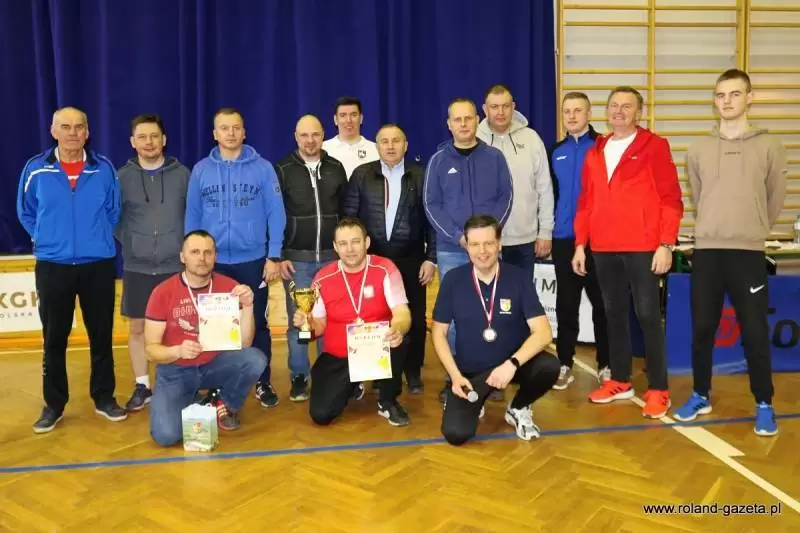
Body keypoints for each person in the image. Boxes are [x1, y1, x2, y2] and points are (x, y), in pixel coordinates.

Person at [674, 69, 787, 436]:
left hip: (747, 253)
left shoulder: (770, 146)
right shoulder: (698, 149)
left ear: (749, 98)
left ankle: (764, 402)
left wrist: (752, 228)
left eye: (735, 94)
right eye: (721, 95)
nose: (726, 101)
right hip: (708, 251)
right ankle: (700, 394)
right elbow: (699, 194)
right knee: (702, 329)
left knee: (754, 331)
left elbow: (774, 198)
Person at [572, 87, 683, 419]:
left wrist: (665, 244)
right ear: (606, 111)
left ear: (639, 113)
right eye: (614, 105)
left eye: (626, 106)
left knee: (648, 316)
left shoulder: (655, 146)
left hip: (643, 247)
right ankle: (620, 380)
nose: (619, 111)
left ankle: (659, 388)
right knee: (613, 315)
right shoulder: (595, 151)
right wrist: (581, 244)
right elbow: (586, 202)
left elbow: (671, 198)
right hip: (603, 248)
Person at [16, 106, 126, 433]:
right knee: (54, 338)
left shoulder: (103, 168)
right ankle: (54, 404)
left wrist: (97, 238)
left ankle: (104, 397)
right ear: (54, 131)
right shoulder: (36, 169)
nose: (73, 133)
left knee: (101, 335)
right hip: (53, 265)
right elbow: (26, 211)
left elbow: (114, 210)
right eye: (65, 127)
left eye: (79, 127)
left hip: (97, 264)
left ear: (87, 133)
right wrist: (44, 237)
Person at [185, 108, 285, 407]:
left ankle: (263, 380)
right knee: (214, 326)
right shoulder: (201, 170)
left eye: (236, 127)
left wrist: (274, 254)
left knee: (258, 322)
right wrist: (194, 256)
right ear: (214, 134)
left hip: (252, 260)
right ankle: (217, 384)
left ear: (244, 132)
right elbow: (192, 214)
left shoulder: (263, 168)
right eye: (224, 128)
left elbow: (276, 212)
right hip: (212, 263)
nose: (230, 133)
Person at [432, 215, 559, 445]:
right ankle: (475, 401)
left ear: (499, 244)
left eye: (488, 243)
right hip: (470, 374)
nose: (482, 251)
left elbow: (543, 333)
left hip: (510, 365)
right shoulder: (453, 280)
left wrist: (512, 364)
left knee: (549, 366)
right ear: (467, 246)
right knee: (456, 434)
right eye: (475, 244)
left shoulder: (518, 277)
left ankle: (518, 407)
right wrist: (455, 376)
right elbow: (438, 333)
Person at [424, 97, 514, 401]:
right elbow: (431, 204)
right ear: (449, 124)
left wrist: (486, 240)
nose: (463, 124)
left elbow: (506, 197)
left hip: (490, 252)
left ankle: (492, 377)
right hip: (452, 251)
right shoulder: (438, 161)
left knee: (492, 313)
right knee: (453, 317)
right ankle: (456, 376)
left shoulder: (495, 157)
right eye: (457, 119)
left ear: (478, 120)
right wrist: (459, 237)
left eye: (468, 118)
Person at [145, 230, 266, 446]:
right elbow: (150, 350)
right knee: (166, 435)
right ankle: (190, 400)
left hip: (214, 364)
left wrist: (248, 306)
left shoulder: (230, 288)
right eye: (195, 252)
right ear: (182, 257)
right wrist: (178, 350)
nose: (202, 258)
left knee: (255, 359)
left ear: (215, 257)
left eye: (208, 252)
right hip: (176, 369)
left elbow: (244, 343)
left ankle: (224, 403)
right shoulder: (162, 292)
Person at [292, 217, 412, 426]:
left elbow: (402, 312)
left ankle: (387, 401)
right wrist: (307, 325)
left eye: (356, 242)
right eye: (343, 243)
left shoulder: (386, 268)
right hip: (339, 355)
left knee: (400, 341)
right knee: (321, 415)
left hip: (377, 349)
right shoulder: (322, 278)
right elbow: (319, 326)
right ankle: (352, 384)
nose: (350, 249)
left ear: (367, 242)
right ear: (335, 247)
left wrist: (398, 329)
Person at [344, 123, 436, 394]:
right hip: (372, 260)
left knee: (415, 317)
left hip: (412, 259)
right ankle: (377, 370)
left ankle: (413, 371)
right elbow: (350, 218)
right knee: (375, 316)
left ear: (406, 145)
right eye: (384, 141)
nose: (391, 146)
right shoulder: (362, 174)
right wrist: (353, 256)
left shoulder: (421, 175)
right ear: (377, 146)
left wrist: (431, 258)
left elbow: (432, 220)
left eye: (396, 141)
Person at [116, 114, 190, 411]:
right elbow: (113, 218)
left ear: (164, 140)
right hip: (138, 266)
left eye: (154, 136)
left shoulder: (183, 174)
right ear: (133, 142)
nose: (149, 142)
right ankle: (142, 385)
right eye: (142, 137)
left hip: (175, 266)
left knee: (177, 327)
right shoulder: (121, 177)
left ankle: (176, 384)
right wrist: (133, 242)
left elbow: (193, 214)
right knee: (137, 327)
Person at [275, 114, 348, 401]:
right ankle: (298, 375)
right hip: (297, 261)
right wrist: (280, 255)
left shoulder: (335, 168)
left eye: (315, 134)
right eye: (304, 135)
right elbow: (275, 215)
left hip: (332, 260)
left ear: (323, 135)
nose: (310, 140)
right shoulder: (282, 169)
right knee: (301, 321)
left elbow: (346, 212)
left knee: (329, 319)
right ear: (296, 137)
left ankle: (326, 375)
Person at [548, 93, 610, 389]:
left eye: (577, 111)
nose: (571, 116)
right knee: (566, 304)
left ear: (589, 113)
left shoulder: (603, 148)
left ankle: (606, 364)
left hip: (598, 240)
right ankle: (564, 363)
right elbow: (550, 195)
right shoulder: (555, 151)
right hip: (563, 239)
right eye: (566, 111)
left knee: (602, 304)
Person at [477, 84, 554, 277]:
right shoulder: (474, 140)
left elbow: (545, 188)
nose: (500, 112)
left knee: (521, 294)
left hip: (524, 240)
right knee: (485, 295)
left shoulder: (531, 139)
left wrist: (545, 232)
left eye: (505, 106)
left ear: (513, 107)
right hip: (484, 239)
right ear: (485, 109)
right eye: (494, 107)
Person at [321, 96, 379, 178]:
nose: (348, 120)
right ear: (335, 120)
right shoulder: (323, 149)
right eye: (343, 115)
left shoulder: (376, 149)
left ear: (361, 118)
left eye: (353, 115)